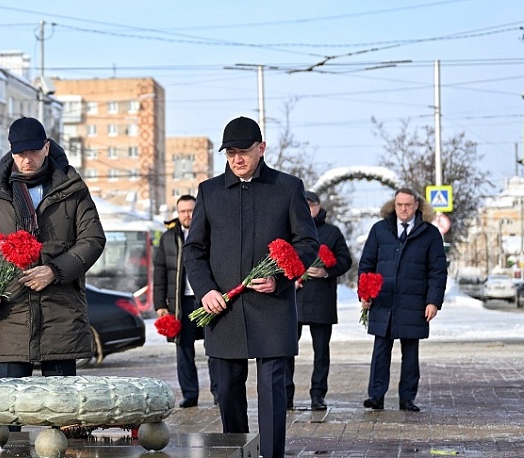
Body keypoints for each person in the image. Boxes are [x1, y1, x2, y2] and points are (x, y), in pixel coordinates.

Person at [183, 116, 319, 458]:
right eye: (230, 153)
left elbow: (307, 243)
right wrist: (206, 291)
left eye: (243, 151)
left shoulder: (288, 188)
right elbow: (194, 250)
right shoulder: (209, 191)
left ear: (261, 148)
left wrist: (281, 278)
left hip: (272, 308)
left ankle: (272, 454)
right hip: (223, 309)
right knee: (227, 389)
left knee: (273, 390)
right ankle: (236, 451)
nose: (236, 159)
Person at [0, 116, 105, 381]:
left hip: (60, 314)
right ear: (11, 150)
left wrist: (54, 271)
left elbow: (93, 239)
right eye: (20, 154)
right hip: (11, 314)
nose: (27, 160)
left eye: (33, 152)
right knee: (10, 413)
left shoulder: (72, 188)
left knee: (63, 412)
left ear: (47, 148)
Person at [359, 187, 447, 412]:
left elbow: (437, 271)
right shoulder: (380, 230)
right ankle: (376, 396)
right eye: (400, 205)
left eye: (408, 205)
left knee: (410, 352)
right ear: (394, 205)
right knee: (380, 350)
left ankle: (407, 398)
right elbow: (366, 264)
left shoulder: (429, 233)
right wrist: (365, 294)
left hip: (414, 302)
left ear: (417, 205)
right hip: (383, 301)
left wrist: (433, 301)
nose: (404, 209)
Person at [285, 191, 353, 411]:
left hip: (321, 300)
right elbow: (276, 258)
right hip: (292, 300)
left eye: (311, 205)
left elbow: (345, 260)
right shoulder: (288, 229)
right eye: (303, 205)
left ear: (318, 206)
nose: (307, 209)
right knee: (286, 349)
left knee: (321, 351)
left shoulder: (332, 232)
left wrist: (326, 271)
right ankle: (285, 395)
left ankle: (318, 394)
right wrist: (289, 277)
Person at [153, 194, 218, 408]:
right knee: (184, 351)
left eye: (191, 210)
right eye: (182, 211)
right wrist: (160, 305)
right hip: (181, 304)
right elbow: (160, 273)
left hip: (207, 301)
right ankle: (190, 395)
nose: (187, 215)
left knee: (216, 349)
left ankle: (219, 393)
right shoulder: (168, 238)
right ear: (177, 213)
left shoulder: (210, 234)